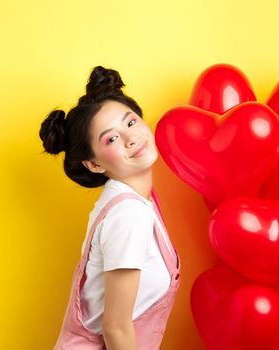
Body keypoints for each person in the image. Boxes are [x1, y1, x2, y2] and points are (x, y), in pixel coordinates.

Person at [40, 66, 181, 350]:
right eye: (111, 139)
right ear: (94, 164)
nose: (131, 138)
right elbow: (115, 328)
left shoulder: (138, 200)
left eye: (130, 123)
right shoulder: (128, 214)